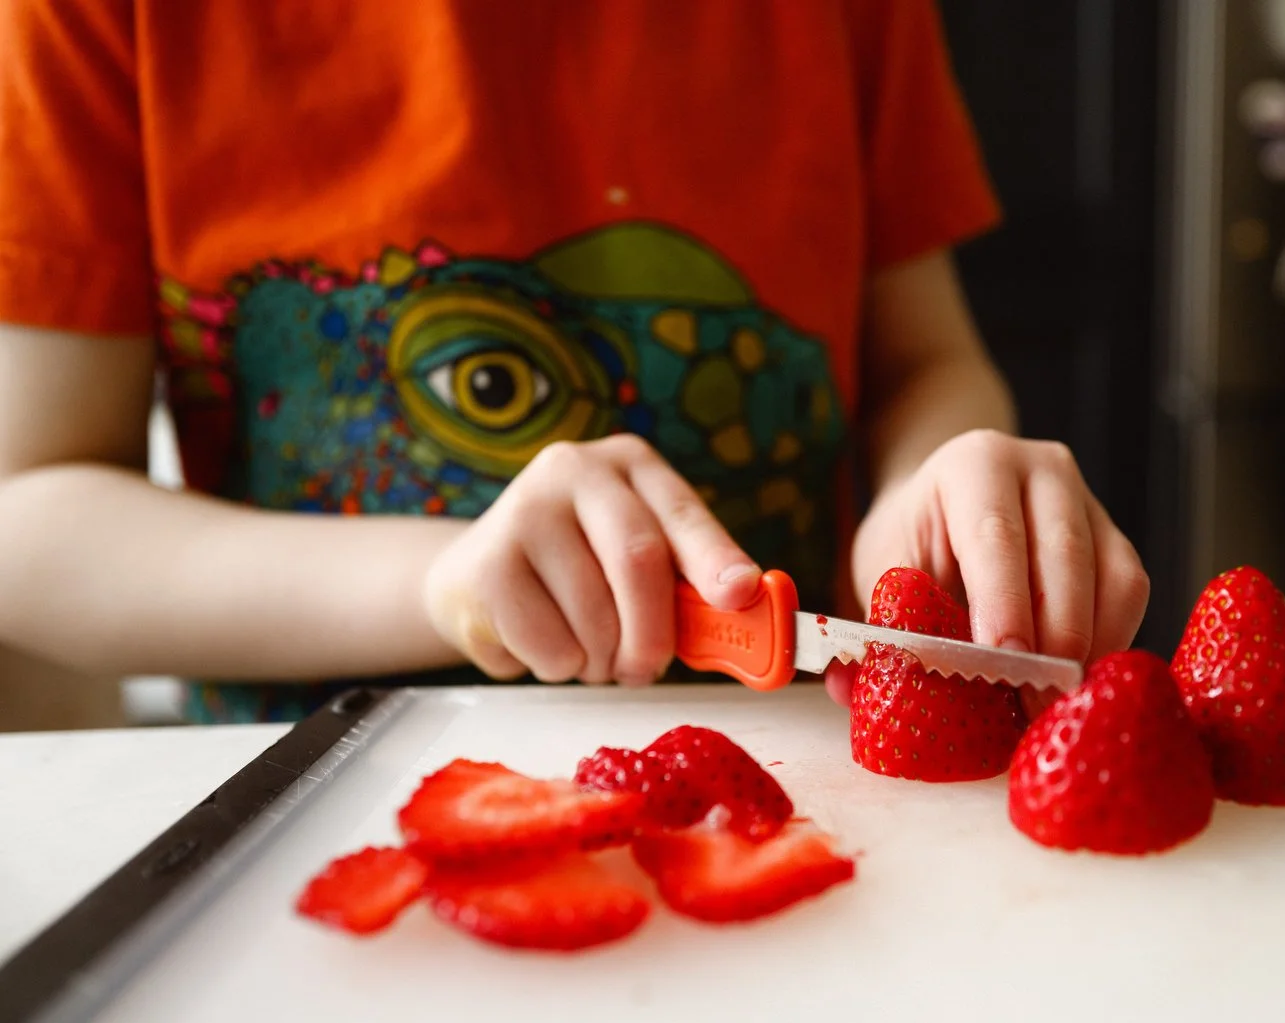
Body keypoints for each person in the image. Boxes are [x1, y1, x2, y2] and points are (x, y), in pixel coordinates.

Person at [0, 0, 1149, 723]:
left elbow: (925, 360)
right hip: (301, 805)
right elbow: (29, 519)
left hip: (800, 780)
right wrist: (441, 585)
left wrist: (930, 484)